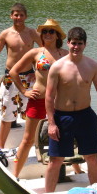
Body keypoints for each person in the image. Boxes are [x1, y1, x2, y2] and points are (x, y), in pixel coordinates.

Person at [44, 27, 97, 192]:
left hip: (85, 116)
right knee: (56, 160)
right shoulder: (57, 67)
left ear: (85, 44)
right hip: (62, 117)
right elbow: (49, 97)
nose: (76, 47)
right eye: (73, 43)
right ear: (68, 43)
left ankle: (96, 192)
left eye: (79, 44)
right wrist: (51, 124)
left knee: (92, 158)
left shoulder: (93, 65)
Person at [9, 19, 69, 178]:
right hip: (38, 101)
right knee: (28, 140)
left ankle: (76, 170)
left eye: (51, 31)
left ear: (57, 35)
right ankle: (16, 174)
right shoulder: (35, 53)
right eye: (44, 32)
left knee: (64, 137)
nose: (47, 34)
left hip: (59, 103)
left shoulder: (66, 54)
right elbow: (14, 71)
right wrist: (24, 91)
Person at [0, 3, 42, 149]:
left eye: (21, 15)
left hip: (29, 78)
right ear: (11, 16)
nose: (18, 18)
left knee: (31, 114)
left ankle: (34, 145)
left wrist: (37, 72)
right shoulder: (5, 34)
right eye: (16, 15)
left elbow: (44, 52)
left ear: (26, 16)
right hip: (10, 79)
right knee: (7, 116)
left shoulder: (32, 33)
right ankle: (1, 148)